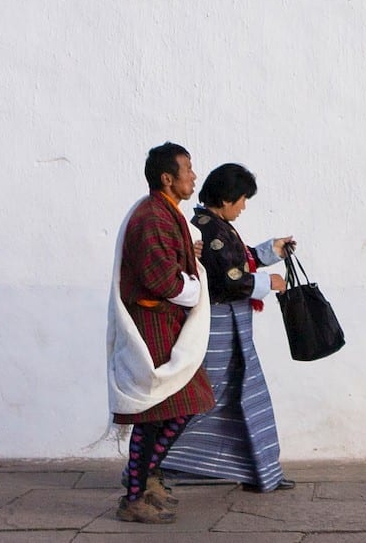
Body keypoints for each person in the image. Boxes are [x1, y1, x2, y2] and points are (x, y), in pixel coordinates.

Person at [161, 162, 298, 493]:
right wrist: (268, 282)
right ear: (226, 198)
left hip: (230, 330)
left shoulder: (214, 226)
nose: (243, 206)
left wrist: (270, 251)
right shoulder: (207, 229)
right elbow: (228, 278)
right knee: (204, 396)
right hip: (219, 329)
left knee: (230, 396)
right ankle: (156, 465)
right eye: (241, 199)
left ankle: (255, 469)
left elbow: (238, 262)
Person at [106, 143, 216, 525]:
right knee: (154, 413)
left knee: (181, 406)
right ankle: (135, 496)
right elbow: (160, 278)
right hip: (153, 327)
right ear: (167, 178)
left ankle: (145, 480)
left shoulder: (165, 214)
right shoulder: (151, 217)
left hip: (167, 325)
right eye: (188, 168)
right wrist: (196, 285)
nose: (194, 176)